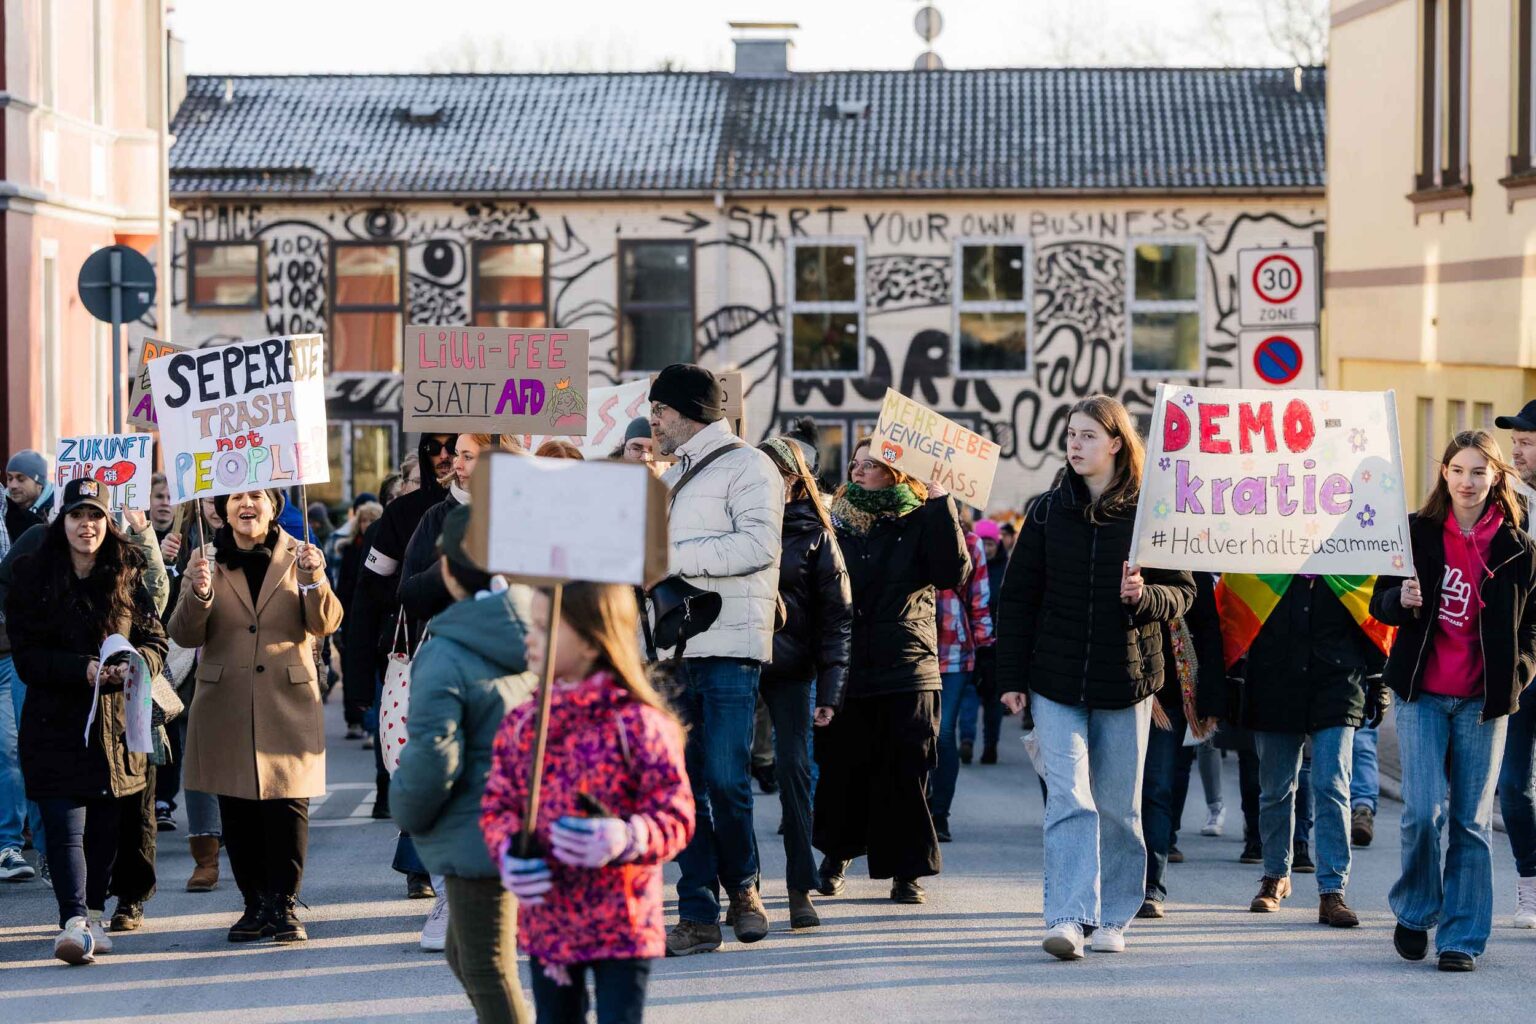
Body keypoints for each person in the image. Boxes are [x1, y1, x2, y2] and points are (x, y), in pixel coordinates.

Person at [997, 395, 1194, 960]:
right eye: (1070, 435)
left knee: (1117, 807)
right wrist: (1011, 676)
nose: (1075, 445)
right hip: (1054, 683)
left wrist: (1144, 595)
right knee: (1068, 799)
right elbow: (1018, 599)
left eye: (1087, 435)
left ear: (1115, 443)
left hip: (1126, 681)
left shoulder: (1150, 513)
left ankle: (1114, 916)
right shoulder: (1044, 510)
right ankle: (1067, 916)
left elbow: (1184, 591)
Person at [483, 582, 693, 1022]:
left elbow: (676, 814)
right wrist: (507, 853)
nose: (529, 638)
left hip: (622, 920)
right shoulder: (523, 723)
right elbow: (498, 806)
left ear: (591, 636)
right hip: (550, 918)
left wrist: (629, 835)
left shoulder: (638, 723)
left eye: (543, 627)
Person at [1371, 430, 1536, 972]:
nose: (1468, 482)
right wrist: (1401, 598)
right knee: (1422, 812)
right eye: (1458, 470)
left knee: (1469, 821)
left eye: (1479, 472)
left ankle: (1462, 936)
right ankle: (1417, 911)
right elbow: (1382, 604)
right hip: (1421, 695)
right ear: (1444, 473)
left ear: (1496, 478)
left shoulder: (1518, 547)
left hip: (1482, 703)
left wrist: (1519, 671)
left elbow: (1531, 627)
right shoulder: (1416, 534)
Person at [647, 364, 784, 956]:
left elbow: (759, 546)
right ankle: (698, 911)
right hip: (673, 649)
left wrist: (668, 553)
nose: (652, 420)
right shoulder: (666, 474)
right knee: (684, 787)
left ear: (685, 412)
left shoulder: (751, 465)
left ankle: (745, 888)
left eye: (658, 410)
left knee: (728, 780)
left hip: (730, 644)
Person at [166, 488, 343, 944]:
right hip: (225, 699)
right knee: (238, 806)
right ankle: (254, 904)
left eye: (257, 496)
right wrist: (200, 594)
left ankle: (284, 905)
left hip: (286, 697)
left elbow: (326, 622)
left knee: (287, 806)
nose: (248, 505)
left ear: (273, 506)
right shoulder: (205, 558)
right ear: (224, 509)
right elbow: (183, 633)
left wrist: (313, 579)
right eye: (237, 498)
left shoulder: (301, 554)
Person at [6, 478, 167, 963]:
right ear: (62, 521)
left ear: (107, 522)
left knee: (105, 827)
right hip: (56, 723)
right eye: (77, 515)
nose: (87, 525)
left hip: (116, 728)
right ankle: (73, 918)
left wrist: (135, 662)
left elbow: (156, 641)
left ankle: (91, 913)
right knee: (64, 826)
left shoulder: (126, 572)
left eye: (95, 515)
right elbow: (28, 658)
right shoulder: (31, 575)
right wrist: (83, 669)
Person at [391, 505, 537, 1016]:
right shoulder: (536, 627)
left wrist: (405, 812)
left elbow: (432, 755)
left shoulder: (447, 651)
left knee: (486, 967)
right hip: (525, 817)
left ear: (450, 570)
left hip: (480, 828)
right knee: (465, 953)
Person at [814, 438, 969, 906]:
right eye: (855, 464)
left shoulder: (921, 517)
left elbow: (951, 572)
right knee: (843, 768)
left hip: (907, 664)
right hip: (847, 665)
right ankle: (837, 857)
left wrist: (942, 503)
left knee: (907, 768)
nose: (858, 472)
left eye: (870, 466)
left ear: (896, 474)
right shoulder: (834, 519)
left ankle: (906, 872)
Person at [1216, 570, 1389, 927]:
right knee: (1277, 788)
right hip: (1274, 680)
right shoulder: (1264, 552)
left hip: (1338, 682)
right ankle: (1275, 876)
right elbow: (1234, 604)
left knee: (1332, 786)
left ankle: (1332, 891)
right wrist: (1232, 676)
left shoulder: (1352, 554)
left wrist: (1378, 677)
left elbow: (1375, 609)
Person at [757, 435, 851, 929]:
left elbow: (837, 618)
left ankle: (799, 887)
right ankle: (742, 888)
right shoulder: (738, 520)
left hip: (792, 670)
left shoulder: (817, 534)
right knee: (727, 775)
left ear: (796, 480)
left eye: (778, 473)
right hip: (735, 662)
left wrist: (830, 692)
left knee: (795, 773)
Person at [344, 433, 455, 821]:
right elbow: (368, 593)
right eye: (434, 448)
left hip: (476, 655)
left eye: (452, 447)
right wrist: (357, 683)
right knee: (415, 762)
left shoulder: (498, 507)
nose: (444, 456)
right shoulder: (403, 514)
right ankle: (417, 869)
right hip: (412, 651)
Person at [1139, 572, 1223, 919]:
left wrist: (1212, 701)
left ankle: (1151, 888)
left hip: (1170, 699)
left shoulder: (1189, 566)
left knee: (1158, 790)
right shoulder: (1117, 548)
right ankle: (1109, 884)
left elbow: (1208, 632)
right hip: (1116, 692)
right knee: (1115, 794)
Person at [0, 449, 53, 883]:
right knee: (10, 750)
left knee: (26, 745)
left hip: (18, 653)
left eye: (22, 478)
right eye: (9, 478)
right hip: (12, 649)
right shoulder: (14, 516)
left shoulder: (44, 523)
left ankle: (46, 845)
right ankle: (10, 845)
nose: (14, 485)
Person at [1494, 399, 1536, 925]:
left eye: (1526, 442)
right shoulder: (1509, 508)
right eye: (1517, 441)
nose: (1516, 451)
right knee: (1512, 785)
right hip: (1522, 665)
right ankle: (1531, 880)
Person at [930, 522, 993, 842]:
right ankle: (916, 808)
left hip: (954, 653)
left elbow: (979, 600)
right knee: (914, 734)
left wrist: (985, 649)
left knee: (943, 733)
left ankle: (938, 814)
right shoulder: (903, 526)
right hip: (912, 651)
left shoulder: (969, 541)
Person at [958, 518, 1007, 765]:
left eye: (991, 543)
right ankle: (966, 740)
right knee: (968, 695)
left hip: (995, 644)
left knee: (992, 699)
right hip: (969, 639)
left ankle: (990, 745)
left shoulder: (1006, 569)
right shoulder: (970, 563)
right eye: (984, 542)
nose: (987, 548)